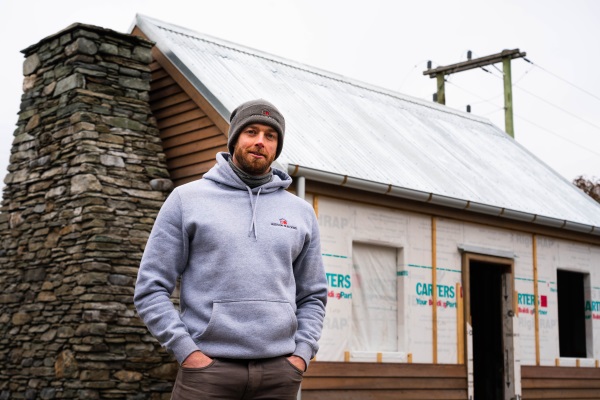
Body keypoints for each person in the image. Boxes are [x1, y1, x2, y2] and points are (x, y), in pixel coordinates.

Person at [134, 99, 328, 399]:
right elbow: (150, 288)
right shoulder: (186, 200)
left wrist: (301, 355)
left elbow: (313, 295)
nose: (260, 141)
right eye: (251, 131)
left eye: (270, 135)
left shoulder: (300, 213)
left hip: (279, 374)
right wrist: (188, 352)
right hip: (207, 373)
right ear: (235, 137)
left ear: (277, 146)